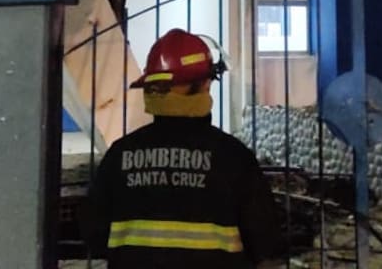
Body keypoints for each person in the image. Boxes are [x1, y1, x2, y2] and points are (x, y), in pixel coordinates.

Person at [86, 28, 285, 268]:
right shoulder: (233, 157)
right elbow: (265, 241)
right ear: (202, 86)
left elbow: (94, 236)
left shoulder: (119, 155)